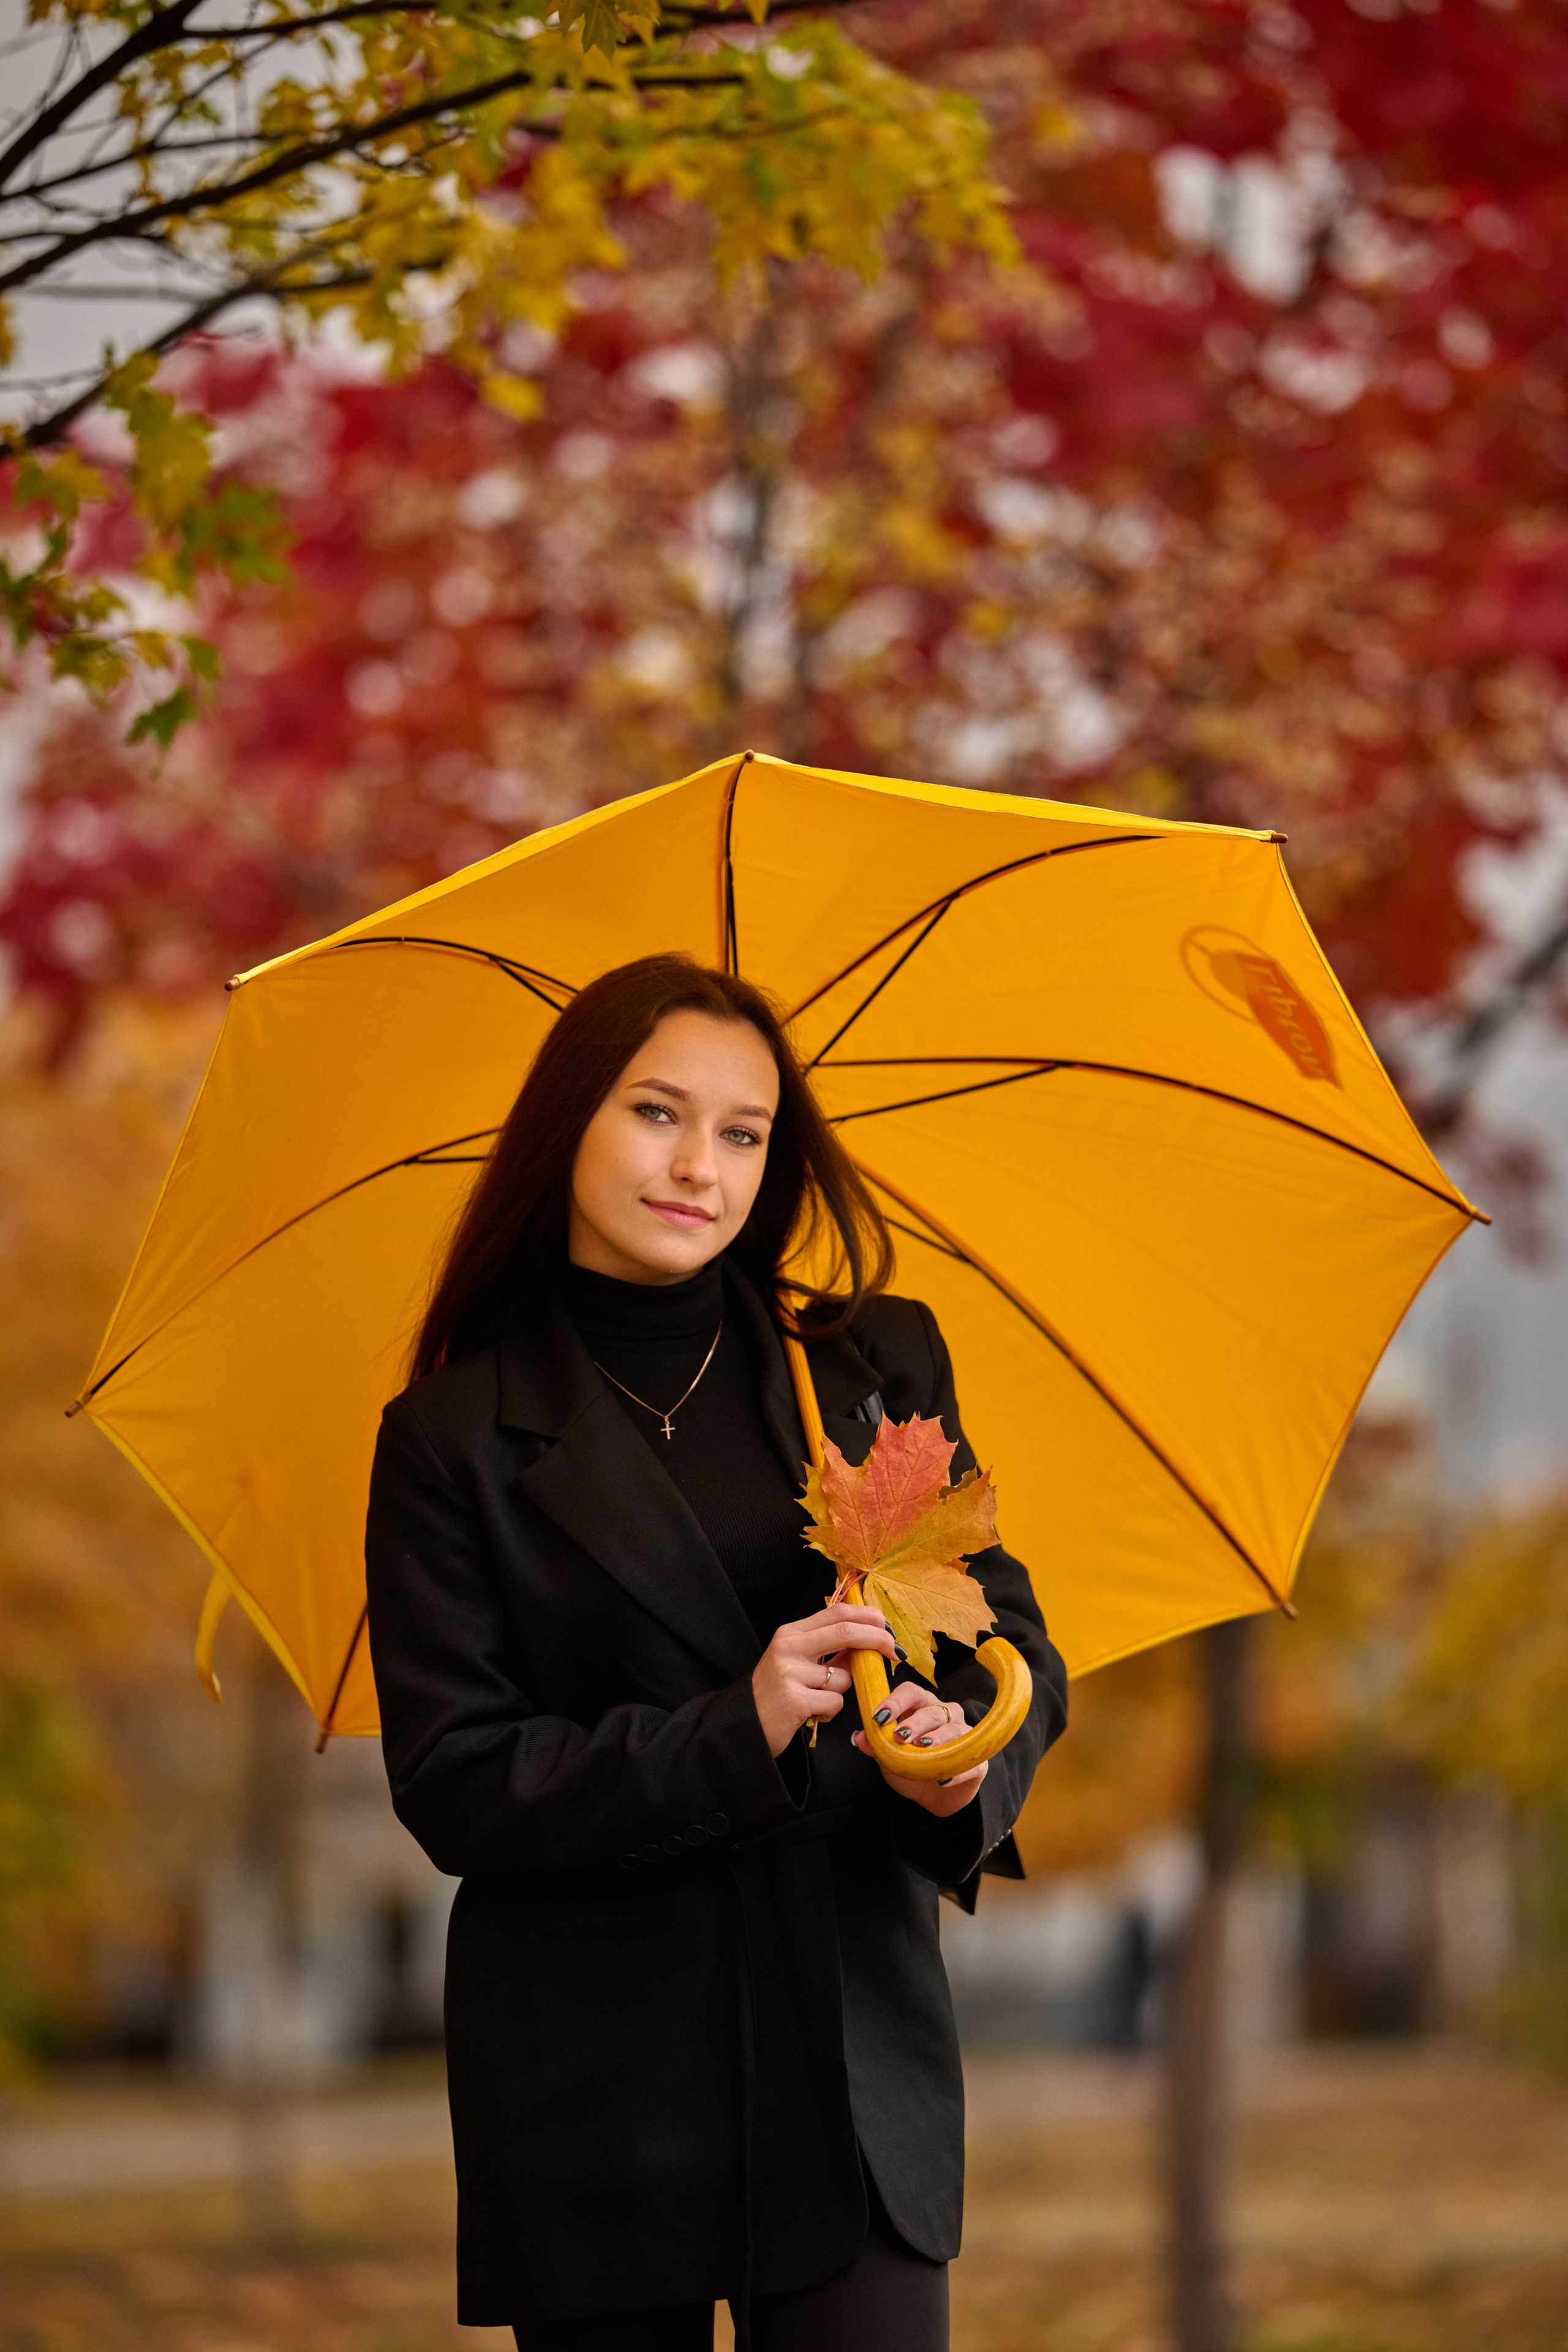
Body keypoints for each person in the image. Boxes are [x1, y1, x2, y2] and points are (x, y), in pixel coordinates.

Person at [366, 952, 1068, 2352]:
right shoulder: (452, 1437)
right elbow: (455, 1782)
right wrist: (732, 1724)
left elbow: (1011, 1647)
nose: (699, 1165)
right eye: (656, 1114)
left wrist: (958, 1775)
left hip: (849, 2062)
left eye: (742, 1133)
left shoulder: (869, 1370)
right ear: (567, 1121)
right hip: (595, 2082)